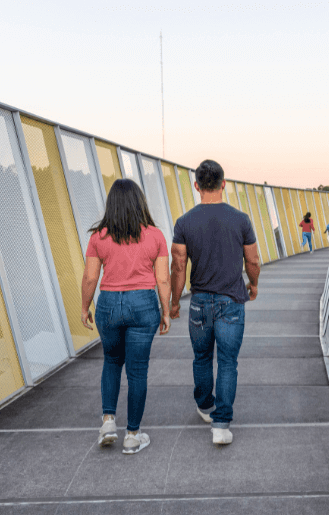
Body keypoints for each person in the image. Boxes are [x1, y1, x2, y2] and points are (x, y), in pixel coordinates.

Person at [170, 159, 260, 445]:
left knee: (202, 357)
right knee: (228, 362)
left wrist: (174, 301)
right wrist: (254, 283)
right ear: (224, 184)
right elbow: (253, 259)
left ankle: (205, 405)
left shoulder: (184, 222)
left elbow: (179, 265)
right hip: (231, 299)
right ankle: (221, 425)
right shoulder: (241, 219)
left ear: (197, 186)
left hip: (198, 302)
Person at [81, 179, 171, 455]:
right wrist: (165, 311)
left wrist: (85, 307)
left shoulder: (99, 237)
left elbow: (90, 277)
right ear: (139, 203)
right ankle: (133, 434)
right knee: (137, 371)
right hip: (143, 304)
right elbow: (163, 279)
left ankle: (108, 421)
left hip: (108, 303)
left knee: (111, 361)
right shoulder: (155, 236)